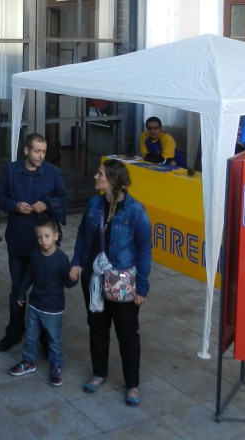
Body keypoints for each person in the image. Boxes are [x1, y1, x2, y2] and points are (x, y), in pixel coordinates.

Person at [69, 159, 152, 407]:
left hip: (123, 284)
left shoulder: (136, 211)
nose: (96, 177)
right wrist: (77, 262)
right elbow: (84, 235)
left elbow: (144, 250)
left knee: (127, 334)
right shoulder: (94, 203)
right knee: (97, 328)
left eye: (101, 174)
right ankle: (99, 373)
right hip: (94, 280)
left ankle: (132, 385)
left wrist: (142, 287)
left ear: (114, 181)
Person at [0, 133, 67, 352]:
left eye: (44, 151)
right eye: (37, 151)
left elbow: (63, 201)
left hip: (44, 246)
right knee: (18, 289)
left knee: (44, 290)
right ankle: (15, 331)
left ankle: (44, 337)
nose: (41, 156)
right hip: (18, 240)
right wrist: (14, 205)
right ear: (26, 151)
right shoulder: (11, 171)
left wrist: (47, 204)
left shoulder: (52, 173)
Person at [7, 214, 77, 386]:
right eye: (39, 237)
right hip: (35, 305)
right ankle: (28, 362)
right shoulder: (35, 255)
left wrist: (73, 278)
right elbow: (28, 276)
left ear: (56, 236)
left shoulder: (61, 259)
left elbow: (67, 284)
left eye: (46, 236)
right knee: (30, 337)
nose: (43, 240)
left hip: (53, 308)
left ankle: (56, 367)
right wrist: (21, 293)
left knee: (54, 339)